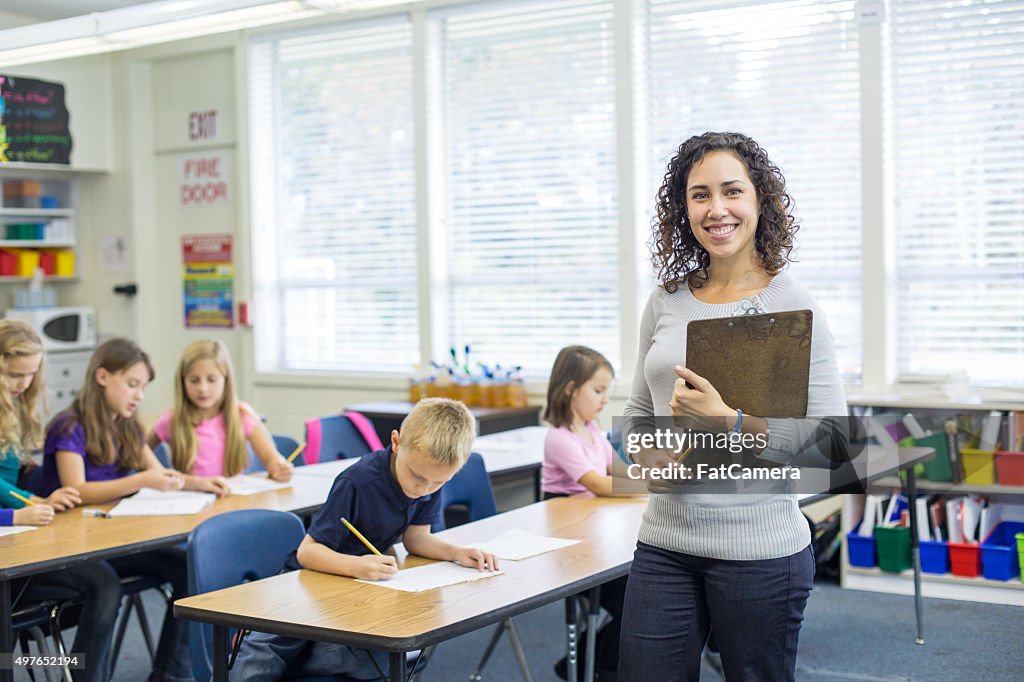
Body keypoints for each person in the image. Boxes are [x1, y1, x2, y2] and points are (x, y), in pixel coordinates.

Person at [618, 132, 846, 682]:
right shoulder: (666, 299)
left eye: (731, 191)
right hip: (665, 542)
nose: (716, 209)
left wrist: (730, 423)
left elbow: (836, 447)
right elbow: (633, 413)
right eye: (699, 195)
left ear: (760, 201)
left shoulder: (795, 306)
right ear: (684, 209)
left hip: (761, 550)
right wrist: (647, 455)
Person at [230, 397, 499, 682]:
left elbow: (417, 539)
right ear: (396, 441)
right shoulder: (358, 482)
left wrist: (457, 552)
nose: (423, 489)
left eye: (438, 483)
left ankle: (307, 655)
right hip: (307, 583)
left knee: (381, 662)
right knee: (258, 665)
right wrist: (358, 567)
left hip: (353, 590)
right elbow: (307, 553)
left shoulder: (429, 478)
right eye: (417, 476)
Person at [37, 337, 195, 682]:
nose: (139, 395)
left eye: (143, 387)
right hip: (66, 547)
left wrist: (201, 483)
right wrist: (140, 480)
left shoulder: (127, 427)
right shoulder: (68, 425)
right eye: (132, 384)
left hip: (108, 542)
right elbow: (77, 490)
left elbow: (160, 476)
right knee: (106, 586)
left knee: (188, 565)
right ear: (103, 376)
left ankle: (169, 674)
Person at [0, 319, 120, 682]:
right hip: (10, 535)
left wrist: (37, 500)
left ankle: (79, 673)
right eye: (14, 375)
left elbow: (9, 481)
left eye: (30, 375)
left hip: (18, 543)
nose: (23, 384)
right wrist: (15, 516)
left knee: (103, 583)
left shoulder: (14, 406)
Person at [542, 344, 628, 681]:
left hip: (594, 538)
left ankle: (594, 661)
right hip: (572, 552)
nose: (605, 399)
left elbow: (617, 470)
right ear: (570, 389)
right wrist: (653, 484)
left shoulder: (592, 430)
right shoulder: (559, 438)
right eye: (598, 390)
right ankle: (596, 666)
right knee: (634, 603)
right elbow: (599, 483)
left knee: (642, 596)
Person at [147, 339, 293, 495]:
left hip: (232, 500)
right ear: (182, 382)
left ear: (226, 380)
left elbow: (272, 461)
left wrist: (280, 469)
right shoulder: (171, 419)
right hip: (190, 502)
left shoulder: (241, 415)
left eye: (211, 380)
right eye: (194, 380)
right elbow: (138, 453)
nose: (203, 388)